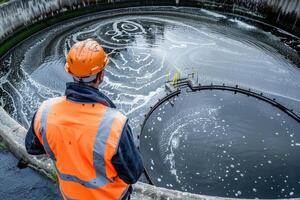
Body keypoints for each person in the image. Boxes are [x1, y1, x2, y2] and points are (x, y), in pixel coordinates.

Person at [25, 39, 144, 200]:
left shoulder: (45, 111)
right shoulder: (115, 124)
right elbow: (132, 174)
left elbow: (32, 148)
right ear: (101, 75)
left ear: (70, 72)